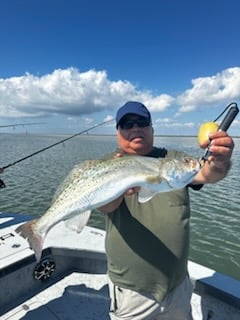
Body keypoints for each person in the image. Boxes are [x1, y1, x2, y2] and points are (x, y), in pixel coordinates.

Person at [99, 101, 234, 320]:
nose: (135, 128)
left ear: (151, 129)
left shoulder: (175, 159)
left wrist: (221, 160)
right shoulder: (108, 163)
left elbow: (209, 174)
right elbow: (105, 206)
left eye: (141, 122)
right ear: (118, 132)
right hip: (132, 290)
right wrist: (120, 189)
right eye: (127, 124)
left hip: (178, 285)